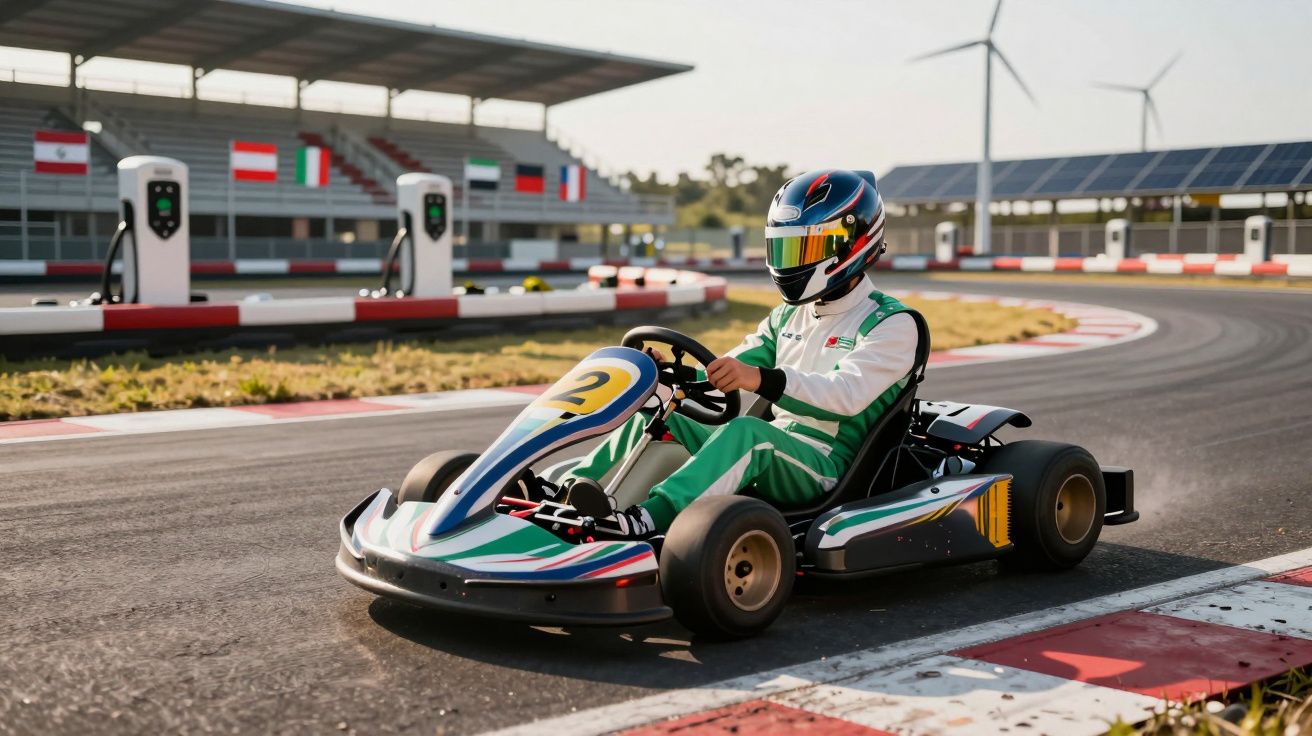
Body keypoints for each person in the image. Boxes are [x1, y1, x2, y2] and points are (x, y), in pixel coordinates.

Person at [565, 169, 922, 539]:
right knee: (661, 413)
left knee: (748, 433)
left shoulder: (892, 324)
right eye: (786, 247)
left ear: (850, 245)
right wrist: (674, 375)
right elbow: (728, 369)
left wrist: (762, 379)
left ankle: (649, 518)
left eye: (806, 248)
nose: (793, 261)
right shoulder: (789, 314)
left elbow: (845, 395)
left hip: (826, 465)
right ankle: (568, 491)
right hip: (779, 446)